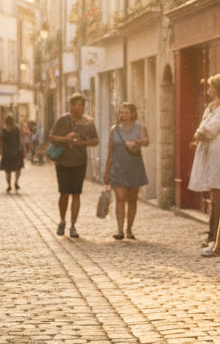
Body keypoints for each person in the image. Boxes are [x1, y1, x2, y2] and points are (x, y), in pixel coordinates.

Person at [189, 74, 220, 256]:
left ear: (217, 88)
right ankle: (211, 236)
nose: (208, 90)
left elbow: (208, 130)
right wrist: (200, 133)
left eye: (211, 87)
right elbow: (202, 127)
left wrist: (200, 134)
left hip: (218, 153)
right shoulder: (212, 107)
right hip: (209, 153)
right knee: (213, 194)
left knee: (218, 194)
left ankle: (218, 239)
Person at [48, 93, 99, 238]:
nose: (82, 108)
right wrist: (66, 139)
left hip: (79, 161)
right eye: (79, 105)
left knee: (76, 193)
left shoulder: (88, 122)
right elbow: (51, 137)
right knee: (64, 193)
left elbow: (95, 140)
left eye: (83, 105)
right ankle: (62, 220)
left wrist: (81, 143)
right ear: (71, 106)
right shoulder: (63, 120)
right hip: (63, 162)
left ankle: (73, 226)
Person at [104, 102, 150, 240]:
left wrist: (136, 142)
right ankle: (120, 230)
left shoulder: (140, 127)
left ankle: (129, 229)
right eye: (121, 113)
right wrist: (107, 173)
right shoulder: (114, 130)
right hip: (118, 167)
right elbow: (110, 151)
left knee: (132, 199)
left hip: (134, 167)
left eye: (126, 113)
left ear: (132, 114)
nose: (123, 116)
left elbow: (146, 141)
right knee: (120, 198)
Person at [0, 114, 25, 192]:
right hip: (16, 150)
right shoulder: (16, 129)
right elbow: (20, 140)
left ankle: (9, 185)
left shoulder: (4, 130)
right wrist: (23, 149)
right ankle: (16, 182)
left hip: (7, 151)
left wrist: (1, 150)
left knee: (8, 170)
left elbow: (1, 141)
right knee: (18, 168)